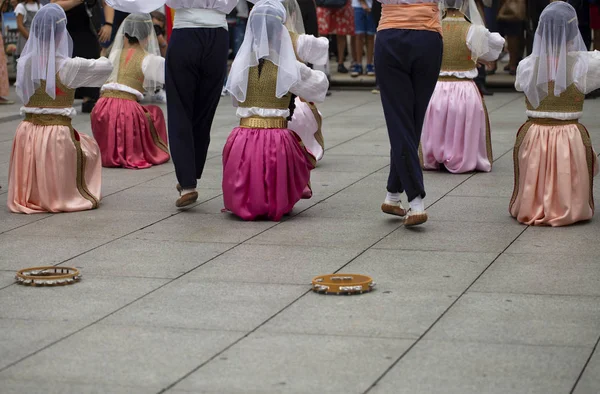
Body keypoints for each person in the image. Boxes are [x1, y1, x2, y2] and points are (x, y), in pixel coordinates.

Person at [107, 0, 238, 208]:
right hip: (218, 36)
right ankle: (191, 171)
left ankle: (188, 182)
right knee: (205, 110)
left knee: (180, 110)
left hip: (186, 33)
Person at [223, 0, 328, 221]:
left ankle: (243, 198)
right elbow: (320, 88)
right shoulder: (289, 68)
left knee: (237, 145)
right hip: (276, 142)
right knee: (299, 150)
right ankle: (274, 198)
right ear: (280, 32)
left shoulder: (239, 66)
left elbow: (236, 101)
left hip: (242, 140)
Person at [8, 4, 112, 213]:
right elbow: (106, 69)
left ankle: (32, 193)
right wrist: (104, 52)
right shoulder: (69, 66)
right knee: (90, 148)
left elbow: (22, 92)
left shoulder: (24, 63)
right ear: (61, 34)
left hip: (26, 133)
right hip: (57, 134)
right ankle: (58, 193)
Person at [510, 1, 600, 226]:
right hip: (569, 137)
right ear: (572, 30)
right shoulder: (585, 65)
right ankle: (568, 204)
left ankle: (533, 202)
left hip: (534, 135)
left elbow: (520, 86)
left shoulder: (527, 65)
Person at [375, 0, 443, 226]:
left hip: (391, 34)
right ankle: (412, 198)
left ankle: (395, 194)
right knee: (411, 121)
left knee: (402, 121)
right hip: (427, 36)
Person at [420, 0, 504, 173]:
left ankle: (437, 154)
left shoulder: (432, 26)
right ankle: (461, 155)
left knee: (439, 121)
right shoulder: (474, 30)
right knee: (462, 122)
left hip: (438, 88)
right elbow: (494, 50)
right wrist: (475, 56)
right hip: (464, 89)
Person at [91, 13, 169, 169]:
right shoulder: (149, 59)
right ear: (148, 35)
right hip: (125, 111)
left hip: (100, 109)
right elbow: (168, 79)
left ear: (124, 33)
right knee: (155, 113)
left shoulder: (113, 54)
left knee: (125, 110)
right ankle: (133, 150)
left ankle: (110, 151)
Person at [51, 0, 103, 113]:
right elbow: (54, 5)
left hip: (87, 26)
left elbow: (106, 4)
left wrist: (108, 23)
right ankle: (64, 97)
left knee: (90, 59)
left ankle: (89, 98)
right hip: (68, 28)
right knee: (69, 63)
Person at [317, 1, 355, 73]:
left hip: (341, 6)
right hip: (324, 5)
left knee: (341, 33)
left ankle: (340, 63)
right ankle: (322, 63)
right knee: (322, 35)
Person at [351, 0, 375, 76]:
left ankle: (369, 64)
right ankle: (358, 64)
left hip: (372, 6)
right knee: (359, 35)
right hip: (358, 6)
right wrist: (363, 3)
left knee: (370, 36)